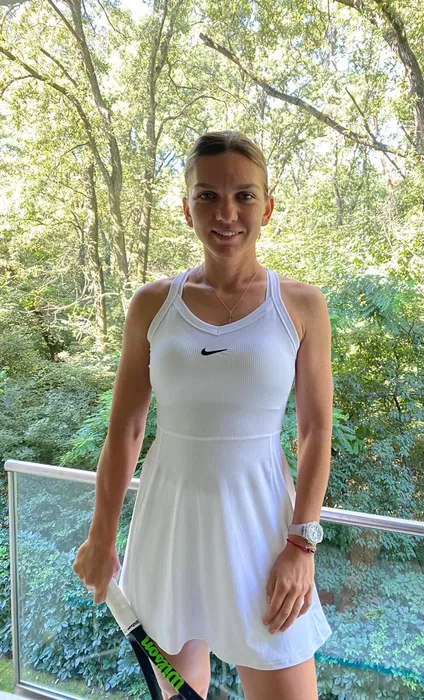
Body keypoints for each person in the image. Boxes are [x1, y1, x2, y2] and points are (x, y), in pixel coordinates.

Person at [72, 130, 333, 699]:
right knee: (179, 693)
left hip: (264, 530)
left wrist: (302, 544)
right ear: (186, 208)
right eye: (208, 195)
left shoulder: (302, 305)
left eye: (244, 195)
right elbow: (126, 429)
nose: (226, 212)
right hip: (170, 525)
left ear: (268, 206)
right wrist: (101, 536)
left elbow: (315, 432)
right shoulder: (151, 304)